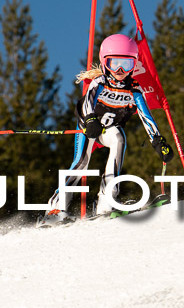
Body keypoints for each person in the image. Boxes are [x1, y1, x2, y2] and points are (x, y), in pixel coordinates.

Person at [38, 34, 174, 226]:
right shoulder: (99, 83)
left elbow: (146, 116)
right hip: (89, 127)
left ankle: (106, 201)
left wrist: (158, 140)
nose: (119, 70)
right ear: (104, 63)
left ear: (134, 65)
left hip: (109, 129)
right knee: (81, 163)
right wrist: (91, 119)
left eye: (126, 64)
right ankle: (55, 208)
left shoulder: (134, 90)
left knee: (119, 139)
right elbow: (87, 103)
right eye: (114, 63)